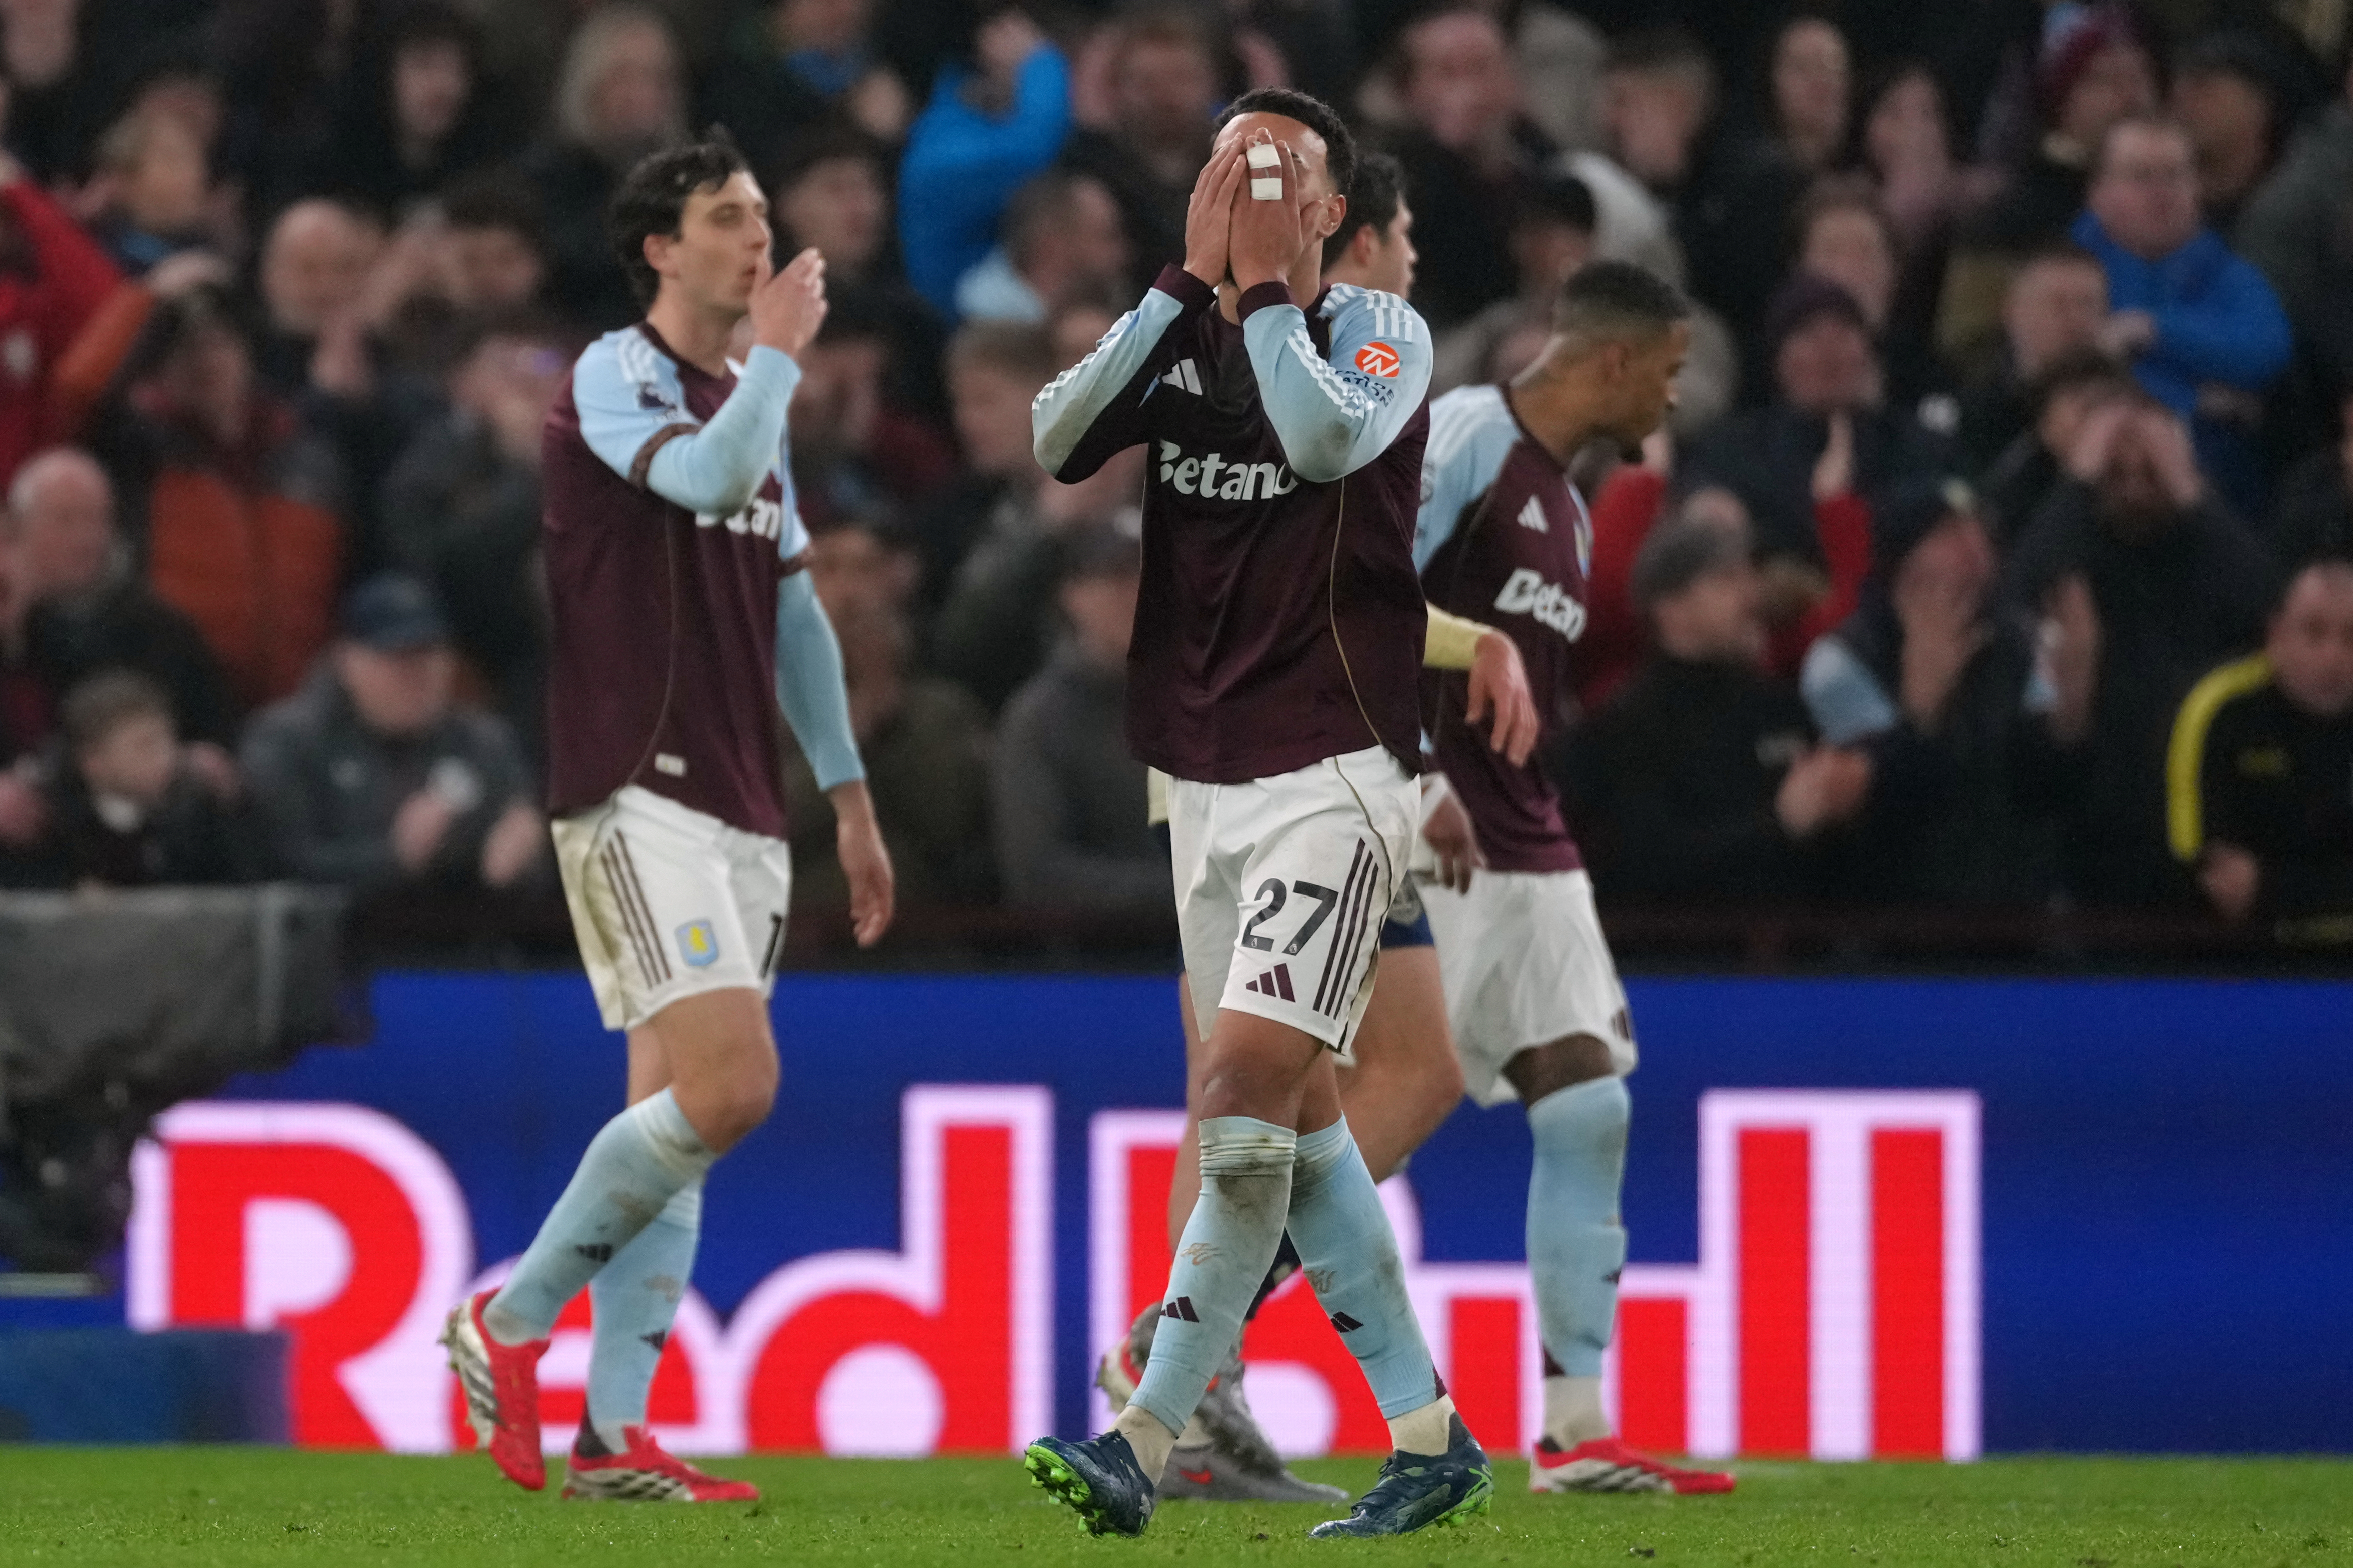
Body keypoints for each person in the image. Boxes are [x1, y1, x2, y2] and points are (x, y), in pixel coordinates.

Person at [1024, 87, 1493, 1538]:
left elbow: (1321, 441)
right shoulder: (1178, 330)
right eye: (1229, 157)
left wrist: (1277, 294)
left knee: (1234, 1098)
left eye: (1278, 166)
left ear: (1333, 211)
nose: (1249, 181)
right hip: (1205, 780)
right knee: (1297, 1126)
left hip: (1334, 770)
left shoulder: (1381, 334)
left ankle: (1143, 1435)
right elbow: (1055, 439)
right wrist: (1183, 281)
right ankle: (1430, 1438)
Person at [440, 137, 895, 1505]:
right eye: (724, 217)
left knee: (675, 1119)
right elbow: (699, 484)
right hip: (639, 784)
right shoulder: (610, 374)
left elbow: (795, 604)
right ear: (659, 249)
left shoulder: (752, 402)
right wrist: (777, 362)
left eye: (763, 213)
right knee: (730, 1087)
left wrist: (850, 796)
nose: (757, 235)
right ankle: (507, 1320)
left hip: (747, 796)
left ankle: (614, 1437)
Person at [1412, 260, 1735, 1493]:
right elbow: (1348, 594)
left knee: (1591, 1102)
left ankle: (1573, 1433)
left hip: (1528, 837)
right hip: (1441, 828)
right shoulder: (1463, 440)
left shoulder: (1570, 501)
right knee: (1379, 1120)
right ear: (1611, 358)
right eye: (1668, 365)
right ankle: (1171, 1358)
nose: (1672, 392)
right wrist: (1416, 770)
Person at [2003, 393, 2280, 906]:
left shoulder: (2207, 551)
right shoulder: (2072, 550)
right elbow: (2023, 587)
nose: (2132, 490)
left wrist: (2189, 490)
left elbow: (2268, 610)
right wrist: (2077, 480)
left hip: (2203, 818)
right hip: (2089, 826)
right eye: (2116, 473)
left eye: (2150, 473)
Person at [1566, 514, 1873, 903]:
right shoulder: (1625, 728)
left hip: (1808, 956)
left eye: (1749, 576)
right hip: (1686, 959)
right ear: (1671, 608)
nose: (1752, 595)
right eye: (1727, 578)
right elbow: (1646, 867)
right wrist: (1778, 825)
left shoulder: (1781, 708)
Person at [240, 573, 540, 893]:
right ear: (347, 660)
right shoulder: (288, 743)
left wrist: (528, 854)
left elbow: (525, 842)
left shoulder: (484, 743)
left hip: (471, 935)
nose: (415, 677)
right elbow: (275, 864)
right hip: (342, 937)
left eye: (428, 657)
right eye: (396, 659)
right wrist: (393, 858)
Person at [2069, 115, 2293, 516]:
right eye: (2141, 177)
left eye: (2175, 176)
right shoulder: (2068, 273)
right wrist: (2190, 399)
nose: (2161, 194)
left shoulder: (2228, 272)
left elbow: (2266, 349)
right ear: (2099, 192)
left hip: (2222, 499)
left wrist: (2152, 332)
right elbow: (2069, 375)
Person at [4, 447, 236, 752]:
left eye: (97, 519)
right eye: (65, 519)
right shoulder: (12, 630)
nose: (85, 538)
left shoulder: (159, 631)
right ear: (17, 528)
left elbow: (216, 732)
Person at [2167, 557, 2353, 929]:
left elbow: (2252, 890)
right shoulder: (2220, 711)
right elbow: (2198, 869)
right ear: (2276, 636)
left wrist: (2270, 888)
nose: (2334, 658)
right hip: (2243, 961)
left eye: (2352, 638)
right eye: (2314, 633)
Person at [990, 525, 1162, 915]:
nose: (1135, 592)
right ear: (1072, 595)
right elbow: (1036, 872)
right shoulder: (1039, 719)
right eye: (1115, 577)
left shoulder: (1219, 700)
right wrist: (1187, 892)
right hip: (1098, 961)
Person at [2, 668, 247, 890]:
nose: (167, 758)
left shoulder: (198, 812)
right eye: (144, 746)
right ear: (93, 762)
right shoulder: (46, 824)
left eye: (168, 741)